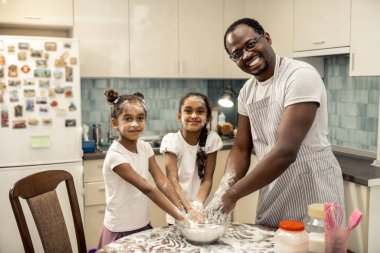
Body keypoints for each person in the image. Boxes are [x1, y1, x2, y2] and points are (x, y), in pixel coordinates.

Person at [209, 18, 345, 228]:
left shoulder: (300, 76)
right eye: (237, 54)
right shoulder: (247, 91)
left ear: (267, 38)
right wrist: (223, 189)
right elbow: (241, 149)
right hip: (274, 188)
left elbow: (285, 151)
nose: (246, 55)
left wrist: (232, 195)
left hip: (314, 191)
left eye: (250, 44)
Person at [98, 89, 185, 248]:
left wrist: (181, 208)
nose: (135, 124)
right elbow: (148, 188)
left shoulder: (144, 147)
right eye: (128, 119)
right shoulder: (115, 155)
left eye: (140, 118)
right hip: (120, 229)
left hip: (142, 224)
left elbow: (161, 181)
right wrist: (182, 218)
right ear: (115, 123)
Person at [160, 92, 223, 224]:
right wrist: (188, 208)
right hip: (177, 209)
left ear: (208, 118)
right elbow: (172, 179)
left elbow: (207, 179)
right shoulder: (171, 141)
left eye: (200, 112)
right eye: (188, 111)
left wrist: (197, 205)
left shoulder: (212, 140)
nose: (194, 116)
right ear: (179, 116)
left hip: (201, 209)